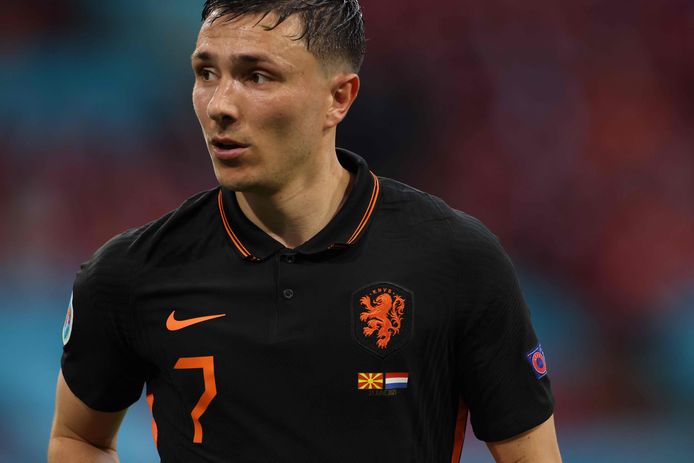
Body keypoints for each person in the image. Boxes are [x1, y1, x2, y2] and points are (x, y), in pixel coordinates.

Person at [48, 1, 562, 462]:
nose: (220, 105)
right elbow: (79, 438)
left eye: (257, 76)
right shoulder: (129, 274)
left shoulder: (456, 260)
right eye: (206, 73)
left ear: (338, 97)